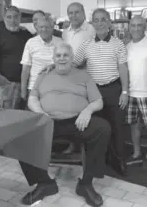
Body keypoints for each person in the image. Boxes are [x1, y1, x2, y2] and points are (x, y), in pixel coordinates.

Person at [19, 42, 111, 207]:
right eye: (58, 55)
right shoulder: (43, 75)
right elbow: (32, 97)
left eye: (65, 55)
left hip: (77, 122)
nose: (62, 58)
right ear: (53, 58)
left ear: (72, 58)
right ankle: (44, 183)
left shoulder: (83, 75)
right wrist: (40, 112)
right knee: (21, 135)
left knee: (102, 128)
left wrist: (87, 111)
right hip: (47, 121)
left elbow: (98, 101)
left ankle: (86, 184)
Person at [74, 8, 128, 175]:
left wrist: (125, 92)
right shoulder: (86, 45)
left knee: (117, 126)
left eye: (103, 19)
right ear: (92, 23)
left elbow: (123, 68)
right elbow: (74, 64)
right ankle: (100, 160)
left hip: (113, 89)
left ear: (109, 22)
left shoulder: (118, 44)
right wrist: (54, 66)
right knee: (98, 127)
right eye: (96, 20)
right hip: (93, 92)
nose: (99, 23)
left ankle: (119, 160)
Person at [125, 15, 147, 169]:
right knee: (134, 126)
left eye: (140, 25)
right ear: (129, 27)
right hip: (131, 93)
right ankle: (136, 153)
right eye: (133, 25)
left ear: (145, 27)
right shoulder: (127, 46)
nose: (136, 28)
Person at [0, 6, 32, 109]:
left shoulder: (26, 34)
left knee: (24, 117)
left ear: (20, 18)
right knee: (8, 116)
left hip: (26, 83)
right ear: (4, 18)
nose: (12, 20)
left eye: (16, 17)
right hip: (7, 83)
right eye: (9, 17)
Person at [20, 16, 62, 101]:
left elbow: (65, 63)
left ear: (52, 28)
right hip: (34, 87)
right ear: (37, 28)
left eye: (47, 27)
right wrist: (23, 90)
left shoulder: (60, 42)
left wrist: (54, 65)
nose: (44, 29)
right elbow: (25, 69)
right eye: (41, 27)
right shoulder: (30, 43)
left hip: (55, 87)